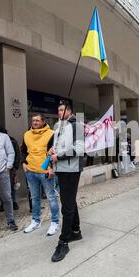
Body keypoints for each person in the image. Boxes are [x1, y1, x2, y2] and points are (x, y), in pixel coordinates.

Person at [50, 102, 85, 262]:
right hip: (61, 170)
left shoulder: (76, 125)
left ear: (69, 111)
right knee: (68, 200)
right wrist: (52, 150)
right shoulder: (59, 127)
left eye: (62, 109)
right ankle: (75, 232)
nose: (59, 112)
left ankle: (63, 241)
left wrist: (60, 156)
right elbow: (57, 146)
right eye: (58, 110)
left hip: (71, 170)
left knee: (67, 206)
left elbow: (79, 149)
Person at [22, 114, 60, 237]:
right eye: (33, 120)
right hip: (31, 170)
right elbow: (23, 150)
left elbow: (55, 152)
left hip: (46, 172)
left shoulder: (51, 134)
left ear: (43, 121)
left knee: (51, 197)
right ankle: (35, 221)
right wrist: (23, 163)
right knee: (34, 197)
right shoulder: (27, 134)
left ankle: (55, 222)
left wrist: (52, 169)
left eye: (37, 120)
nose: (35, 122)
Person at [0, 127, 21, 211]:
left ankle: (11, 203)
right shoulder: (12, 140)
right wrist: (15, 167)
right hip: (10, 167)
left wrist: (15, 167)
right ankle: (12, 202)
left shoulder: (11, 141)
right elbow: (18, 154)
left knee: (9, 186)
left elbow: (16, 154)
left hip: (8, 168)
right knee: (10, 186)